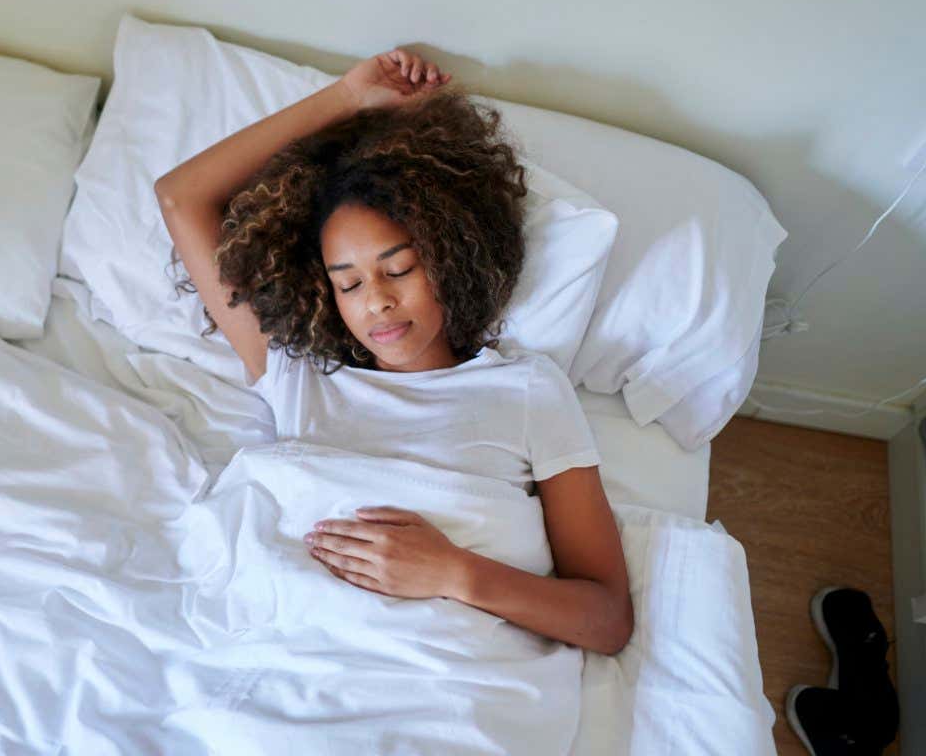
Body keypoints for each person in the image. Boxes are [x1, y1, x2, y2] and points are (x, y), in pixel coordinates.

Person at [153, 48, 633, 656]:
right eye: (348, 283)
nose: (376, 301)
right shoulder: (299, 373)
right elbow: (181, 197)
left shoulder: (528, 390)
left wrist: (453, 572)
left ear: (452, 256)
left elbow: (607, 618)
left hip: (436, 670)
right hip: (285, 648)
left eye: (399, 269)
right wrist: (347, 98)